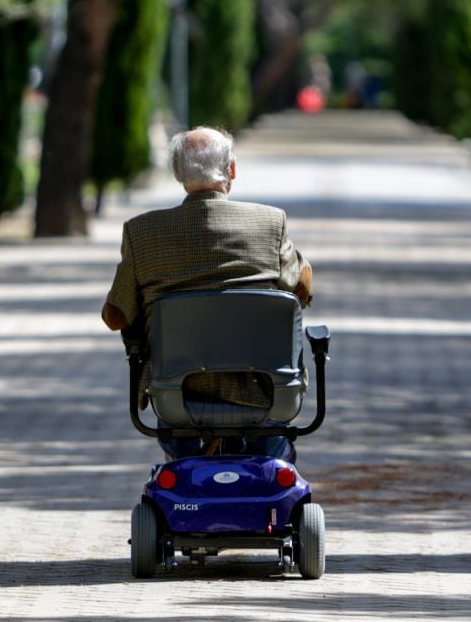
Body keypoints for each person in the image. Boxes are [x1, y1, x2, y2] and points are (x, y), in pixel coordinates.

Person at [101, 126, 313, 462]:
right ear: (231, 169)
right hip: (263, 391)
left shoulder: (142, 232)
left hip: (180, 397)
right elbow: (301, 289)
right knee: (274, 444)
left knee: (177, 438)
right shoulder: (270, 223)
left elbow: (116, 316)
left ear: (176, 173)